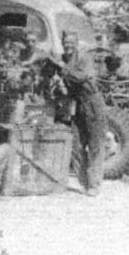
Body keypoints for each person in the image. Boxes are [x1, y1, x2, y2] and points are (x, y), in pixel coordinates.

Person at [55, 31, 107, 196]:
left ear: (76, 44)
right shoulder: (64, 59)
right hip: (78, 105)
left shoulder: (84, 58)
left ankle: (94, 184)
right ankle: (84, 182)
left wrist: (63, 68)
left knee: (95, 145)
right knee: (76, 145)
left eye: (71, 42)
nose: (68, 45)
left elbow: (82, 77)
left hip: (93, 103)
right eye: (65, 42)